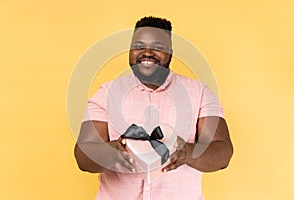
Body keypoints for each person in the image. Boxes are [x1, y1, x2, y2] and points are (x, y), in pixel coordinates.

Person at [74, 16, 233, 200]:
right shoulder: (106, 93)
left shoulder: (200, 93)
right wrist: (112, 152)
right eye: (139, 46)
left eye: (158, 47)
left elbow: (223, 152)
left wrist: (188, 153)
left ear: (171, 53)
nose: (147, 52)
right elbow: (82, 156)